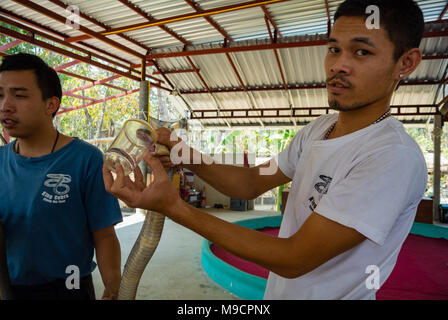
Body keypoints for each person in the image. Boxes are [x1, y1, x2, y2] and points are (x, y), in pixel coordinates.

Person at [103, 0, 427, 300]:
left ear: (406, 62)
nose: (338, 65)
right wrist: (180, 153)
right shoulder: (318, 130)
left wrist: (175, 208)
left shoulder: (391, 156)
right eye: (333, 49)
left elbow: (294, 257)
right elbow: (250, 182)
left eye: (361, 52)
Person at [0, 53, 123, 300]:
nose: (5, 106)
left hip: (69, 287)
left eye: (20, 95)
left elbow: (105, 235)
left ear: (51, 105)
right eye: (0, 95)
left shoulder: (86, 159)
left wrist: (113, 286)